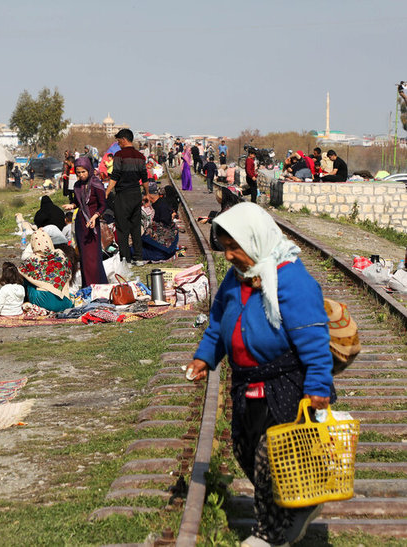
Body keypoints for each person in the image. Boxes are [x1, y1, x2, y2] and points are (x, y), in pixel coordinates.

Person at [186, 203, 333, 547]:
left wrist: (318, 385)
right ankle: (298, 504)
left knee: (271, 457)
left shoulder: (291, 279)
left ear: (254, 240)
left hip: (286, 383)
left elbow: (314, 338)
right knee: (245, 449)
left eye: (233, 247)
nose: (229, 256)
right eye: (224, 248)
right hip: (247, 382)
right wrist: (205, 358)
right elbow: (219, 322)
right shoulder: (235, 279)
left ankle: (271, 532)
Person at [106, 129, 149, 267]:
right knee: (136, 226)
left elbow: (115, 175)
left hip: (123, 194)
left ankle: (126, 259)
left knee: (122, 227)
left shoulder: (119, 155)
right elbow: (145, 177)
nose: (118, 144)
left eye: (119, 141)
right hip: (136, 193)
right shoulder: (140, 157)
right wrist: (146, 193)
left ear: (124, 139)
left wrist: (107, 191)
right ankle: (138, 257)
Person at [63, 156, 108, 287]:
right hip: (81, 224)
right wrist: (72, 206)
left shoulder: (96, 183)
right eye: (78, 172)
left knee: (93, 258)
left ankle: (98, 285)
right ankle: (88, 286)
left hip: (93, 224)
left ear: (89, 170)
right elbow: (79, 202)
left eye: (83, 172)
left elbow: (103, 205)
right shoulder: (77, 186)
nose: (81, 175)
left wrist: (95, 217)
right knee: (84, 258)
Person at [18, 229, 73, 312]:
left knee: (29, 280)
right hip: (65, 303)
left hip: (42, 303)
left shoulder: (31, 260)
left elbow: (21, 272)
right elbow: (68, 275)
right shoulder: (60, 255)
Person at [141, 186, 180, 262]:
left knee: (133, 251)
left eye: (144, 195)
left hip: (161, 247)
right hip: (162, 245)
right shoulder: (158, 203)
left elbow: (163, 224)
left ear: (149, 195)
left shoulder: (161, 206)